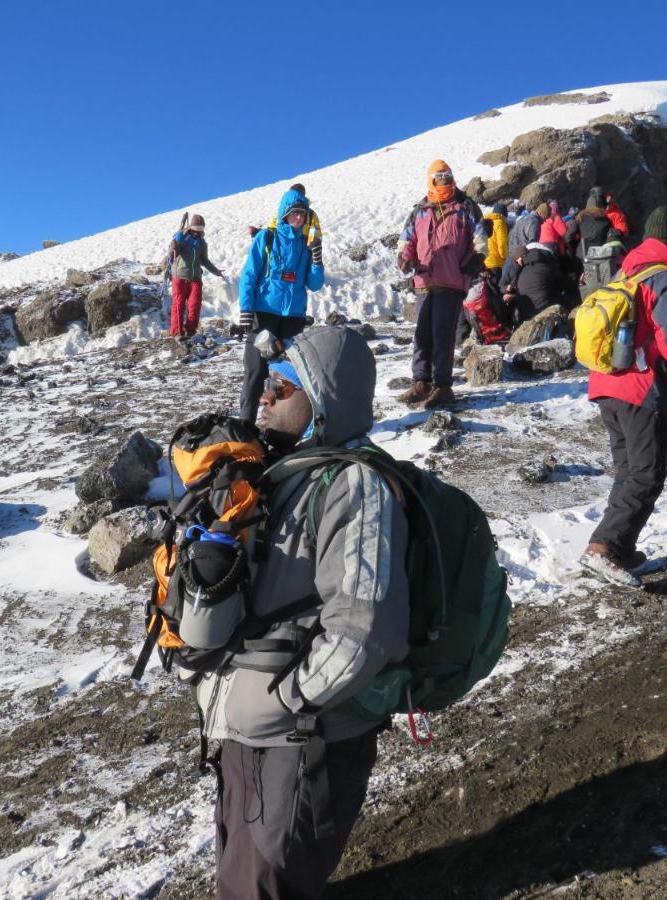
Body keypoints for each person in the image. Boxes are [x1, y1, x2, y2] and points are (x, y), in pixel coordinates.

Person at [198, 327, 410, 900]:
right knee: (243, 877)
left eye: (283, 387)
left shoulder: (356, 486)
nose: (264, 395)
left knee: (265, 886)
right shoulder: (287, 475)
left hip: (301, 737)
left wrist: (288, 701)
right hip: (252, 732)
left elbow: (362, 630)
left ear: (324, 396)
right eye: (267, 384)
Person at [577, 207, 667, 587]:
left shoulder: (626, 269)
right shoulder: (665, 277)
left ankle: (619, 548)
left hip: (605, 383)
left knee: (629, 471)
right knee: (647, 474)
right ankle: (604, 548)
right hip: (640, 387)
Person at [396, 160, 487, 409]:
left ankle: (443, 386)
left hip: (452, 281)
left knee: (442, 334)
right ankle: (421, 382)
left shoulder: (466, 206)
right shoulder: (420, 210)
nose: (444, 181)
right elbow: (408, 240)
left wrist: (473, 263)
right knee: (422, 334)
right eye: (439, 177)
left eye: (447, 176)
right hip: (424, 280)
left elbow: (480, 240)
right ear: (431, 180)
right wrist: (404, 257)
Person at [237, 189, 325, 422]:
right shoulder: (266, 238)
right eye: (295, 213)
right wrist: (246, 309)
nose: (299, 219)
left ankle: (280, 426)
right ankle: (245, 425)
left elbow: (315, 284)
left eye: (303, 214)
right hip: (264, 314)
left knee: (285, 376)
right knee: (256, 371)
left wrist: (317, 259)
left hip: (293, 317)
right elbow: (249, 275)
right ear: (285, 214)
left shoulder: (305, 245)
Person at [169, 214, 226, 337]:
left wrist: (216, 271)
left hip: (195, 277)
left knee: (195, 304)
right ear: (191, 227)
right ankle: (177, 332)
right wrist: (173, 245)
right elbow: (172, 254)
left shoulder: (202, 243)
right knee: (178, 304)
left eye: (200, 230)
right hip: (179, 276)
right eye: (196, 230)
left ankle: (190, 330)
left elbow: (205, 260)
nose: (198, 233)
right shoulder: (181, 237)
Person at [567, 187, 616, 295]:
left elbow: (568, 237)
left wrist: (575, 247)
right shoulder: (606, 220)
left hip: (583, 256)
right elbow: (611, 237)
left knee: (584, 284)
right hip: (601, 256)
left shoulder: (580, 217)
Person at [483, 202, 510, 271]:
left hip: (484, 261)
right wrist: (505, 257)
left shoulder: (485, 222)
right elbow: (502, 243)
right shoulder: (500, 223)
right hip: (495, 262)